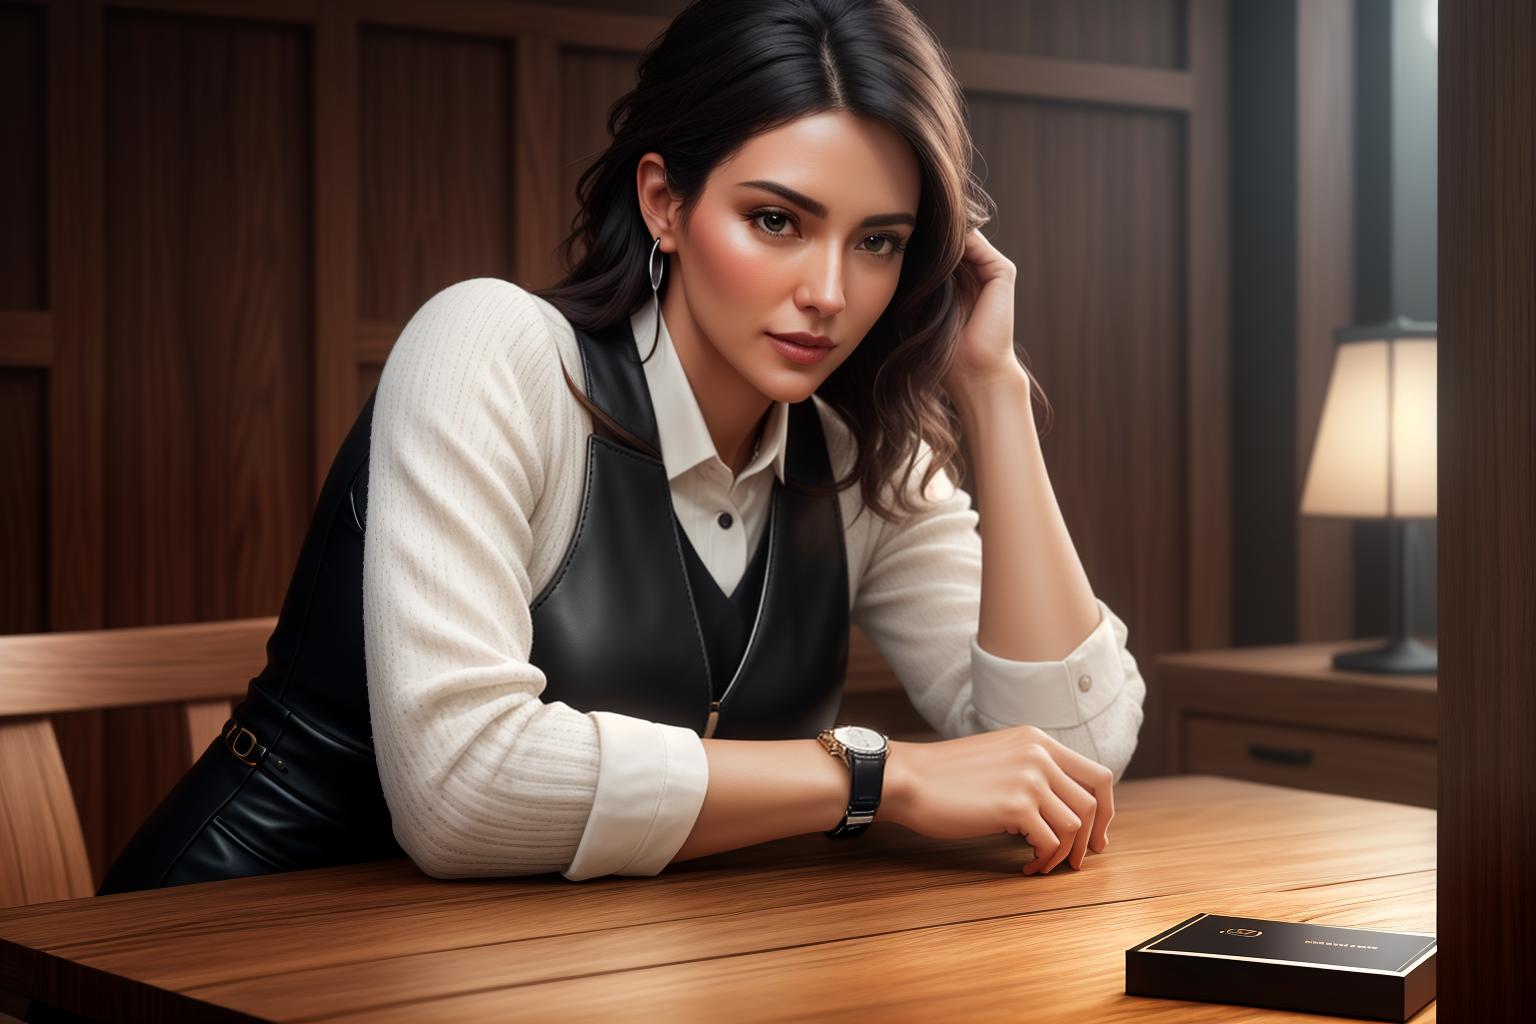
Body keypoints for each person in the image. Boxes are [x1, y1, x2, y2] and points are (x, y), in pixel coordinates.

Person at [27, 3, 1147, 1016]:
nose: (830, 291)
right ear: (664, 200)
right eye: (776, 221)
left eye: (880, 243)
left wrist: (994, 393)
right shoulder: (494, 353)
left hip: (553, 975)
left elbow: (1073, 757)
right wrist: (871, 774)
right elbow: (463, 787)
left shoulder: (848, 453)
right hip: (227, 956)